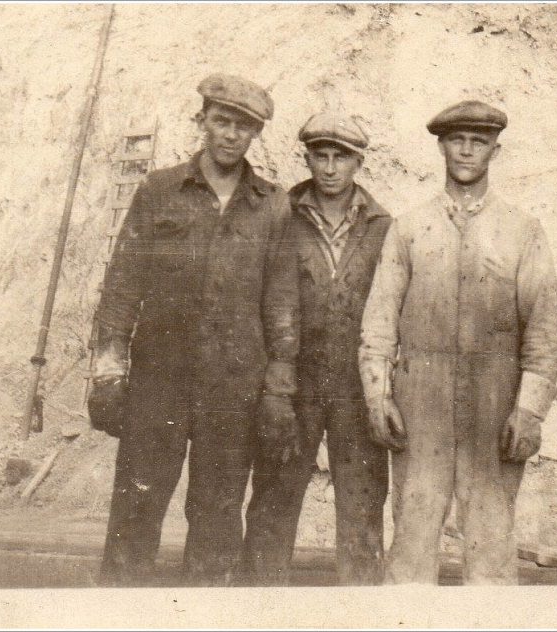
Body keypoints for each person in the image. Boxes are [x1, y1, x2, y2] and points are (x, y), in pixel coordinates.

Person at [88, 73, 300, 587]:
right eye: (222, 121)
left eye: (244, 127)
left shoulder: (273, 205)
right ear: (202, 120)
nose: (231, 134)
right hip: (159, 381)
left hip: (234, 388)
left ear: (256, 134)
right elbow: (121, 287)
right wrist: (108, 374)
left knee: (217, 515)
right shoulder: (159, 191)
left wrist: (278, 390)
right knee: (137, 507)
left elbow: (282, 305)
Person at [359, 100, 557, 585]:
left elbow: (543, 332)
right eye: (456, 140)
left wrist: (529, 411)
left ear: (496, 150)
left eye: (479, 141)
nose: (467, 151)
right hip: (420, 404)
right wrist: (377, 397)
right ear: (441, 147)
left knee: (491, 546)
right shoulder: (409, 228)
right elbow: (379, 322)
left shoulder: (523, 230)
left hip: (493, 405)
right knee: (411, 540)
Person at [242, 113, 392, 585]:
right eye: (320, 156)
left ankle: (361, 607)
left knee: (363, 501)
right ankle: (260, 603)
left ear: (359, 162)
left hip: (356, 385)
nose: (329, 168)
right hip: (293, 382)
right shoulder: (280, 214)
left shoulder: (382, 225)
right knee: (274, 496)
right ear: (306, 157)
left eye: (340, 158)